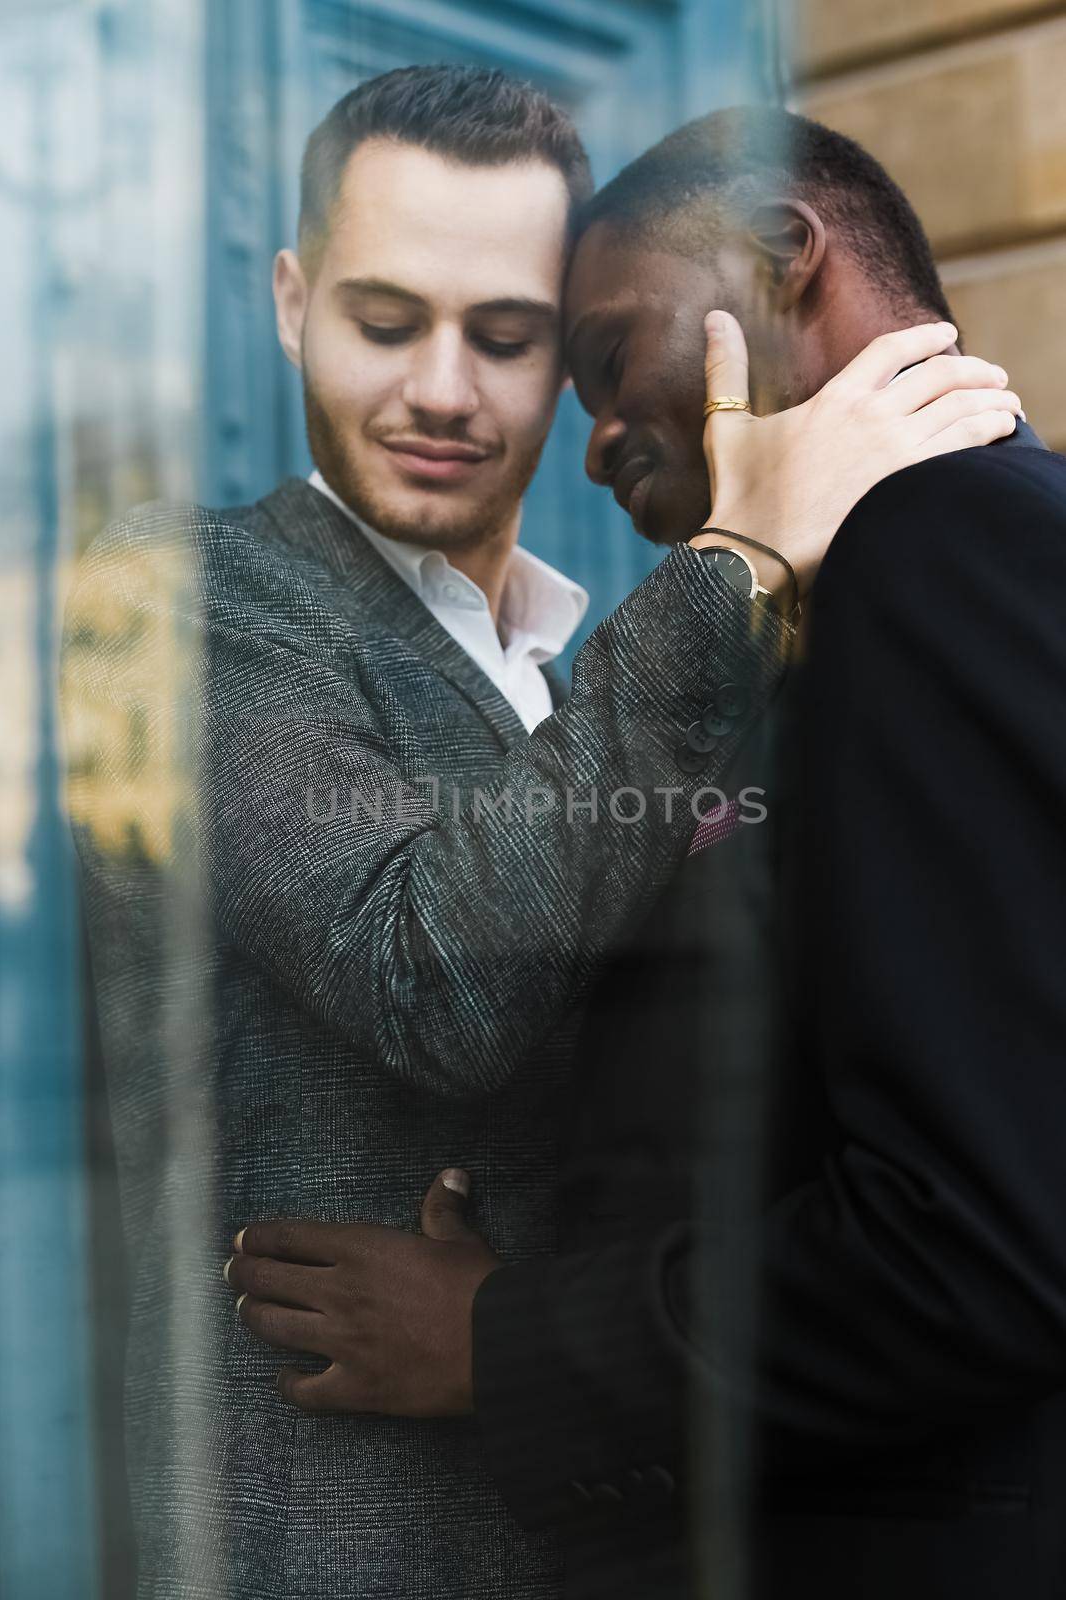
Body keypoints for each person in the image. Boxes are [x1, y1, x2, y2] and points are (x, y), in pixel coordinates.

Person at [223, 106, 1066, 1600]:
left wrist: (503, 1341)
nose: (591, 430)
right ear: (291, 308)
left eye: (558, 349)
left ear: (777, 259)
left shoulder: (927, 551)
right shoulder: (800, 609)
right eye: (380, 319)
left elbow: (977, 1243)